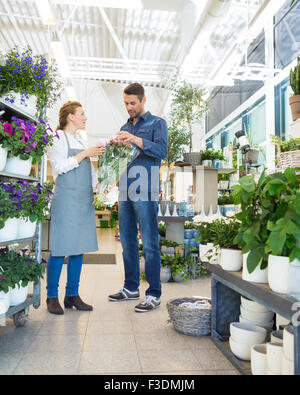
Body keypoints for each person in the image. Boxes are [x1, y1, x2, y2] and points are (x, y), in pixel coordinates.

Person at [108, 83, 168, 313]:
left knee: (150, 244)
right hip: (125, 190)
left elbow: (161, 151)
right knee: (127, 242)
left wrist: (134, 139)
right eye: (125, 103)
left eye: (133, 103)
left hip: (146, 189)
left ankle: (153, 294)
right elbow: (122, 158)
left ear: (143, 100)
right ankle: (130, 288)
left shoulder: (157, 123)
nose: (129, 107)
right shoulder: (125, 126)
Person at [47, 101, 105, 315]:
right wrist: (86, 153)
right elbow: (60, 168)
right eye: (82, 113)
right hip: (66, 200)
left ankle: (72, 294)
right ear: (70, 116)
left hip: (83, 200)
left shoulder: (80, 140)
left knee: (78, 248)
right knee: (60, 248)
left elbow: (89, 173)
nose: (85, 117)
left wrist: (100, 186)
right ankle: (51, 296)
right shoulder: (58, 138)